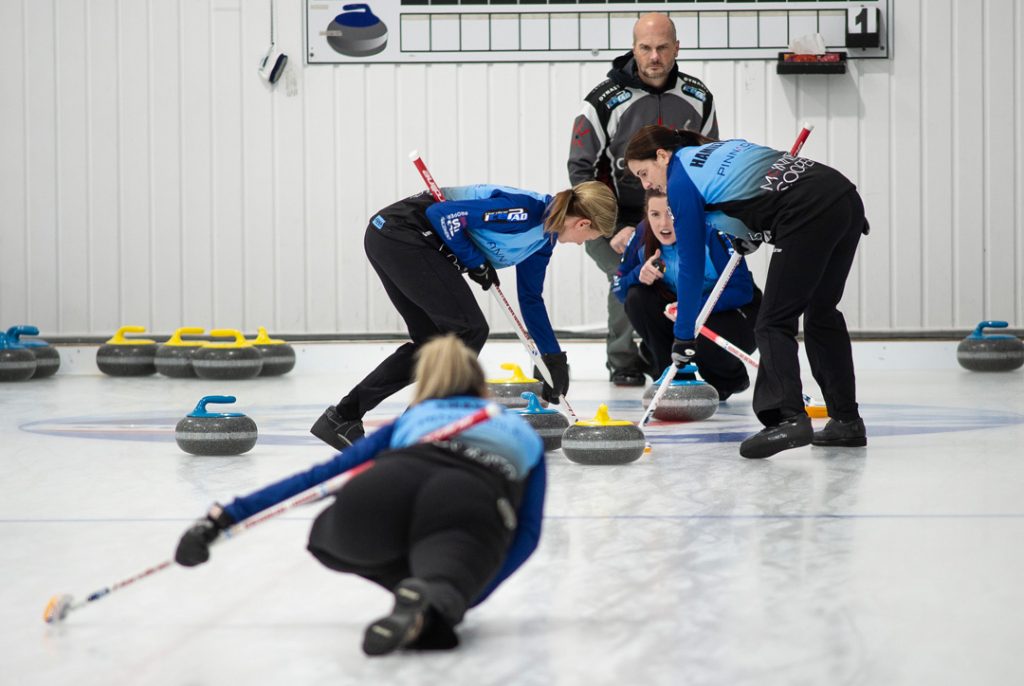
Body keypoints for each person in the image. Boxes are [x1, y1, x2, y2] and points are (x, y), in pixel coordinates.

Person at [175, 334, 547, 656]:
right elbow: (528, 533)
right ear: (481, 383)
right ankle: (431, 597)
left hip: (387, 485)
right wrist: (469, 590)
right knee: (444, 592)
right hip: (466, 498)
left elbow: (320, 477)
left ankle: (421, 590)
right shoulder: (516, 427)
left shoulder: (413, 420)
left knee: (326, 538)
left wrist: (224, 518)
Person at [309, 180, 618, 451]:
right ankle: (417, 429)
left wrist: (552, 358)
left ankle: (342, 418)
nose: (584, 243)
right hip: (400, 233)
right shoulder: (525, 210)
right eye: (592, 237)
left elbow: (530, 299)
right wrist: (473, 261)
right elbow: (443, 215)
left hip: (398, 240)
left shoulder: (542, 241)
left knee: (432, 343)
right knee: (469, 329)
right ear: (583, 224)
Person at [624, 125, 870, 459]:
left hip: (807, 214)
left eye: (644, 172)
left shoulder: (681, 182)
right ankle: (846, 420)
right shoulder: (720, 149)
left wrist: (684, 335)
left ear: (662, 156)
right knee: (821, 314)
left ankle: (788, 418)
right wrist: (750, 231)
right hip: (842, 197)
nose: (646, 184)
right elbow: (757, 194)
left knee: (772, 323)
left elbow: (692, 262)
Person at [568, 12, 718, 387]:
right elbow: (580, 169)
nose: (654, 57)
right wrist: (612, 227)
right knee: (628, 274)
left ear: (676, 49)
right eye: (646, 48)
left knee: (678, 273)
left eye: (663, 48)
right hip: (615, 214)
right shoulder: (603, 101)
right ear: (633, 48)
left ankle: (663, 355)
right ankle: (622, 360)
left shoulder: (698, 97)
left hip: (674, 210)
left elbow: (709, 161)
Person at [613, 189, 760, 400]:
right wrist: (638, 274)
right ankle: (672, 375)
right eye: (655, 214)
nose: (663, 224)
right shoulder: (642, 233)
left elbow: (742, 290)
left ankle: (729, 379)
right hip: (681, 311)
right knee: (637, 297)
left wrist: (694, 308)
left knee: (703, 332)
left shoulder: (711, 230)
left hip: (732, 314)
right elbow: (619, 289)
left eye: (671, 214)